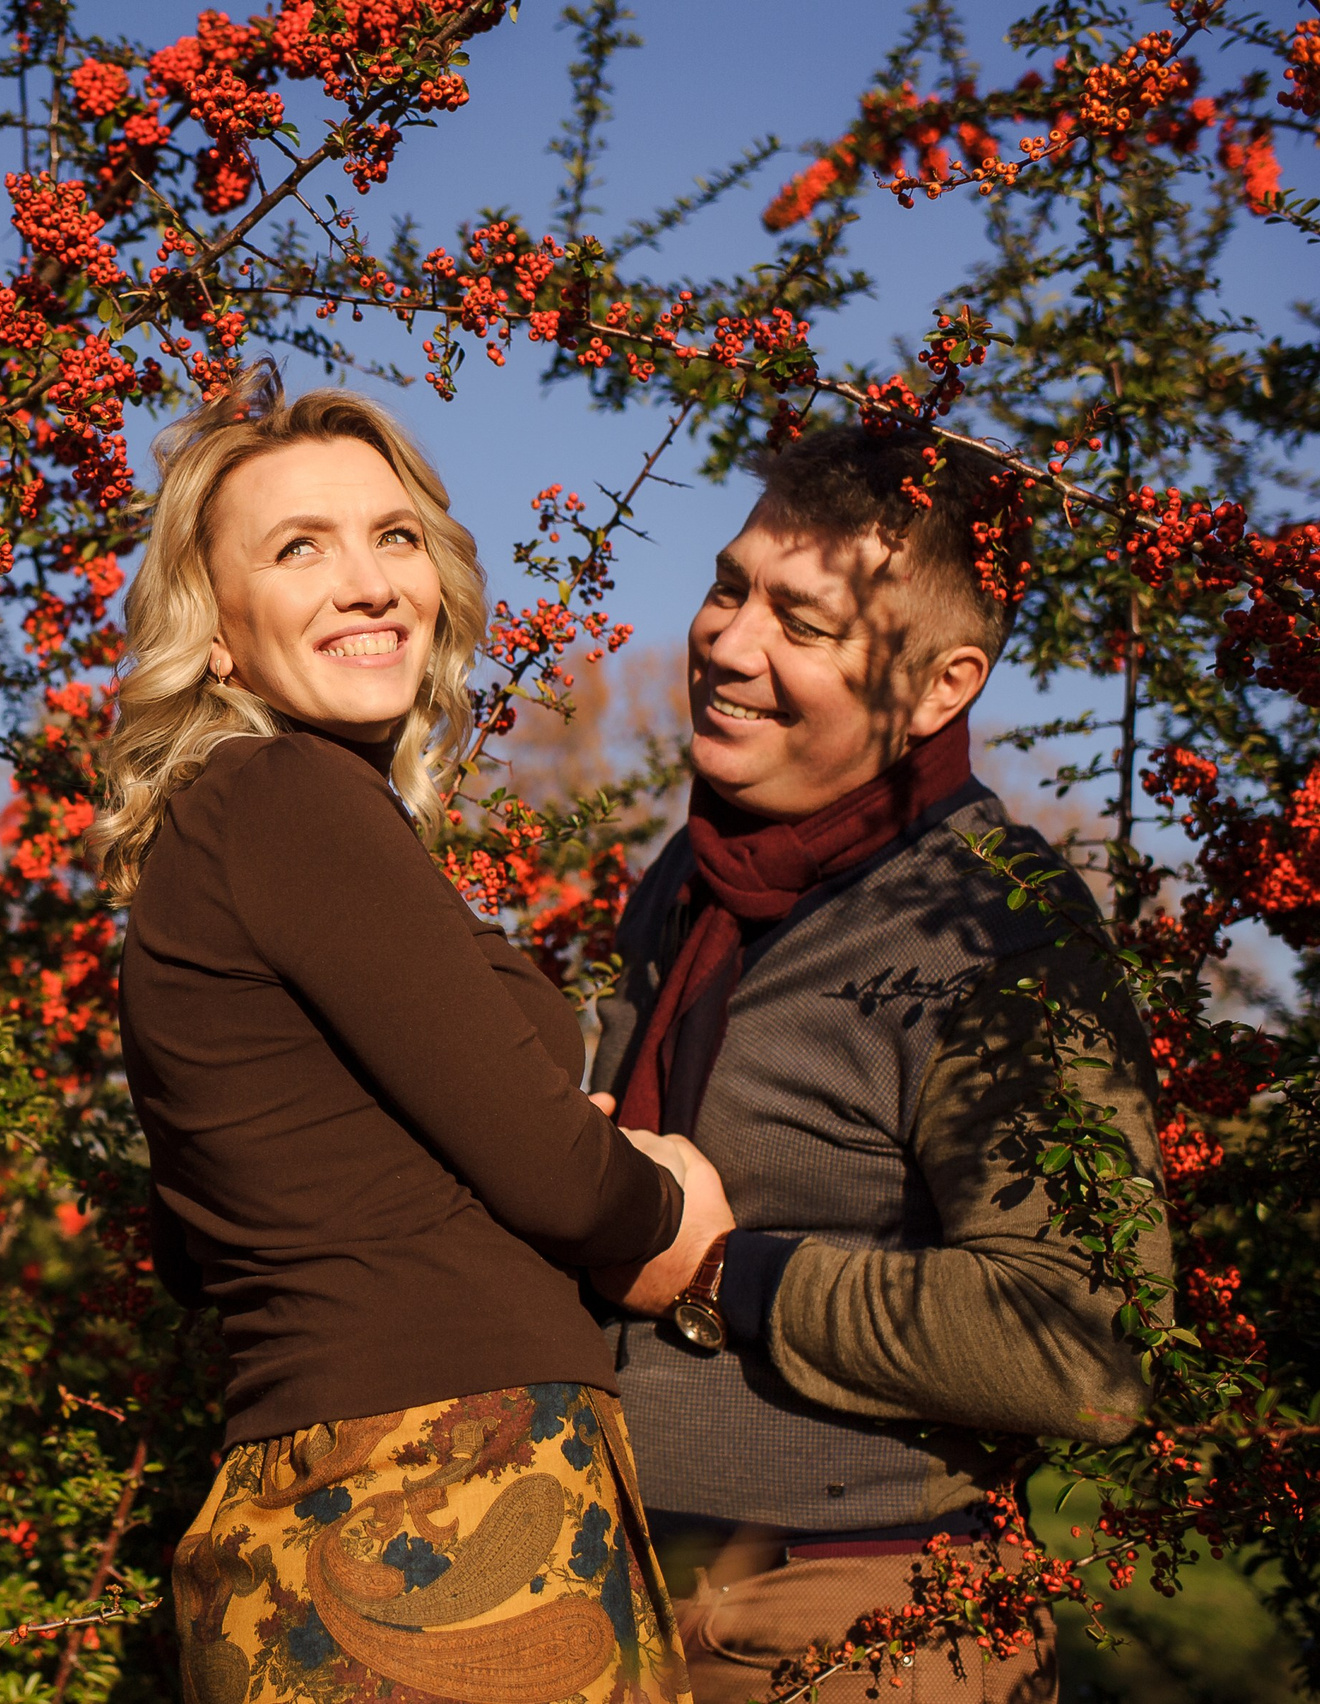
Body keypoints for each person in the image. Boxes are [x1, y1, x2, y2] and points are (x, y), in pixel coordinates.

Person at [95, 363, 728, 1704]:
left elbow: (202, 1245)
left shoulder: (241, 828)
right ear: (216, 632)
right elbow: (557, 1179)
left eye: (393, 537)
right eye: (298, 548)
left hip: (354, 1493)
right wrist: (663, 1205)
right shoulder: (286, 797)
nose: (369, 583)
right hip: (440, 1488)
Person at [586, 422, 1171, 1704]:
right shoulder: (690, 876)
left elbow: (1086, 1345)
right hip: (606, 1598)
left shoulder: (1001, 932)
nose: (729, 641)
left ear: (939, 688)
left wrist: (726, 1275)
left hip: (854, 1630)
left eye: (802, 622)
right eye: (729, 587)